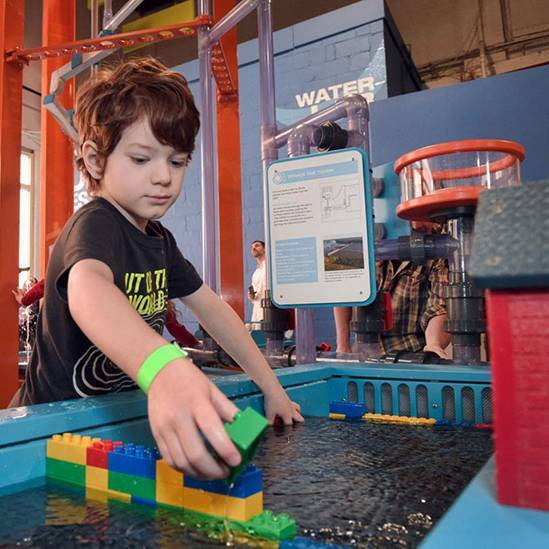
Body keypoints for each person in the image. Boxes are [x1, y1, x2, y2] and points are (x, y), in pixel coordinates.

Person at [11, 58, 303, 481]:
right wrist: (163, 367)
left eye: (177, 161)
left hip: (103, 423)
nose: (163, 177)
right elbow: (88, 290)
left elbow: (214, 311)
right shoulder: (96, 223)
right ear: (95, 160)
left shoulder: (160, 241)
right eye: (141, 158)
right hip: (45, 430)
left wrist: (272, 387)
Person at [334, 222, 451, 359]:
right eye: (410, 219)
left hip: (411, 355)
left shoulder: (441, 244)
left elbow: (440, 305)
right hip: (365, 350)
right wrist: (343, 345)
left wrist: (433, 345)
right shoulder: (366, 232)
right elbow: (343, 288)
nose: (418, 225)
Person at [247, 240, 267, 326]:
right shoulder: (256, 273)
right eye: (252, 247)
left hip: (269, 312)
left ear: (265, 249)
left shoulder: (269, 268)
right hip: (257, 314)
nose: (253, 248)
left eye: (257, 246)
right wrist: (251, 296)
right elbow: (255, 296)